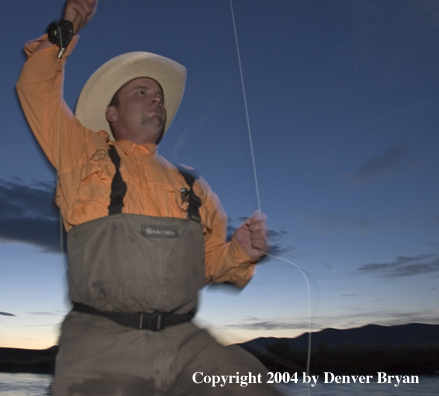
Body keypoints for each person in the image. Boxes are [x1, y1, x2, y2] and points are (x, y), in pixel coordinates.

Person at [16, 1, 283, 394]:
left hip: (187, 343)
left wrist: (240, 251)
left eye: (158, 95)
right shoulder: (80, 152)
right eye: (142, 92)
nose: (155, 99)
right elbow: (35, 88)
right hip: (101, 342)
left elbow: (209, 266)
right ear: (111, 112)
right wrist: (70, 25)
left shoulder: (196, 189)